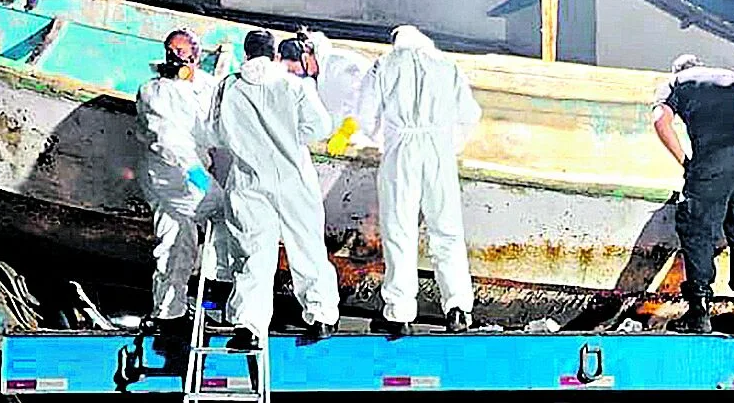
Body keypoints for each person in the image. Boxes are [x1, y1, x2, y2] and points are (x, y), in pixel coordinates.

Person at [208, 28, 343, 348]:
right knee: (307, 246)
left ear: (246, 53)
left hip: (248, 179)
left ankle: (248, 325)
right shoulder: (293, 85)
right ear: (275, 55)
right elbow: (319, 127)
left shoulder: (229, 86)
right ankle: (321, 315)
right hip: (293, 176)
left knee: (252, 253)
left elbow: (214, 133)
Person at [366, 24, 481, 336]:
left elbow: (365, 115)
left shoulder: (383, 65)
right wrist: (448, 142)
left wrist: (384, 140)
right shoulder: (447, 66)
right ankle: (458, 307)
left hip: (400, 149)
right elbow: (470, 114)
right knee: (447, 231)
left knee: (399, 230)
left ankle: (400, 311)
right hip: (439, 152)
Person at [651, 53, 734, 335]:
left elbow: (660, 121)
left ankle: (699, 314)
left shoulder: (675, 81)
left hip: (711, 161)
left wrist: (685, 162)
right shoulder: (732, 78)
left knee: (698, 232)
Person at [134, 29, 215, 339]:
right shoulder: (154, 90)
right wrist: (195, 173)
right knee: (219, 216)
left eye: (181, 51)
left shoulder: (207, 87)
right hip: (168, 173)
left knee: (179, 239)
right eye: (171, 50)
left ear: (195, 55)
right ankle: (211, 296)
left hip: (194, 171)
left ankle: (172, 311)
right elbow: (165, 139)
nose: (174, 57)